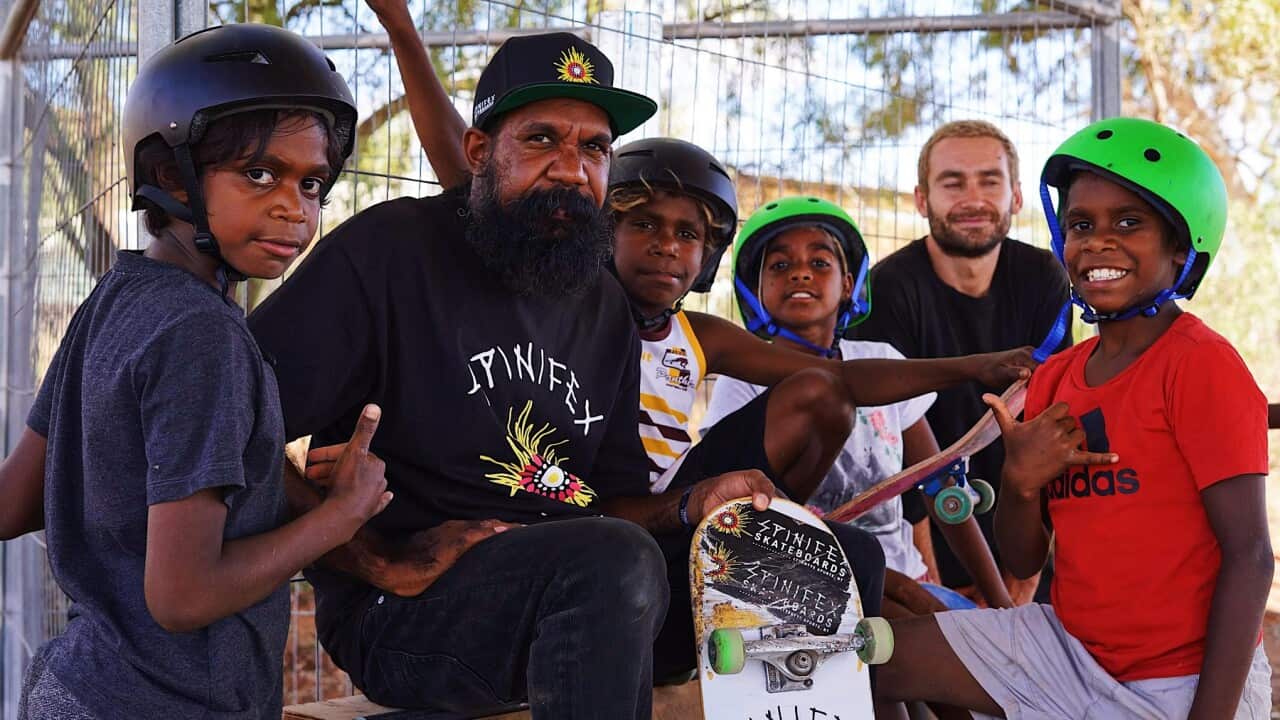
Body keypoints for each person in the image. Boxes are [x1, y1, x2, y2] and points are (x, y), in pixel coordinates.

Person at [252, 28, 1036, 719]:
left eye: (593, 148)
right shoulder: (391, 251)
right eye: (542, 139)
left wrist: (695, 500)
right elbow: (234, 423)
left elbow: (612, 501)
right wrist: (376, 558)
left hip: (583, 593)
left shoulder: (599, 304)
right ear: (481, 151)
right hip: (407, 617)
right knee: (609, 560)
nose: (571, 169)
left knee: (829, 558)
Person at [0, 24, 392, 720]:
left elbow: (13, 502)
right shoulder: (204, 335)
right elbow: (182, 597)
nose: (294, 207)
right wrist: (340, 516)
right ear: (172, 176)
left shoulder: (116, 297)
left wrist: (260, 485)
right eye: (260, 173)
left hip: (75, 690)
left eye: (312, 184)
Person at [875, 117, 1274, 720]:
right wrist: (1019, 480)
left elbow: (1251, 556)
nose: (1098, 242)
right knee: (874, 661)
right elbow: (1024, 559)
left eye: (1129, 223)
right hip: (1069, 651)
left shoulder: (1200, 365)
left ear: (1181, 246)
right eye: (1081, 225)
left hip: (1187, 679)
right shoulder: (1058, 377)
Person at [701, 196, 1012, 611]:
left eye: (819, 263)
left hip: (908, 577)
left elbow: (940, 485)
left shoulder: (882, 360)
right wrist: (903, 591)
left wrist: (1004, 607)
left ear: (848, 284)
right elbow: (738, 518)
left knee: (983, 637)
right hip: (806, 588)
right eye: (779, 265)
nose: (799, 273)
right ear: (756, 292)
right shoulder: (741, 382)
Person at [854, 119, 1073, 604]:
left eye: (989, 182)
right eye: (952, 183)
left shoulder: (1044, 278)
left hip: (1026, 536)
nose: (973, 200)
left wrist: (1022, 584)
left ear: (1016, 197)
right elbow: (889, 449)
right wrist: (933, 591)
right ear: (921, 199)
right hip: (917, 548)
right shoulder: (886, 290)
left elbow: (1056, 422)